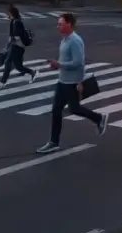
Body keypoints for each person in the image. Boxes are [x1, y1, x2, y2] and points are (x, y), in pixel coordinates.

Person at [36, 13, 107, 154]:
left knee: (74, 109)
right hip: (62, 81)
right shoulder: (64, 40)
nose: (58, 27)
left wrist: (78, 81)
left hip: (72, 83)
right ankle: (54, 142)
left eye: (60, 24)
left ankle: (99, 118)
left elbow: (79, 63)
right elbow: (66, 60)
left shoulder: (75, 41)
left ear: (69, 24)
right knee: (56, 111)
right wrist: (57, 65)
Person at [0, 4, 37, 87]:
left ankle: (3, 81)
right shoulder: (14, 21)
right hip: (17, 46)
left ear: (11, 13)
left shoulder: (17, 22)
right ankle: (32, 72)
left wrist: (10, 42)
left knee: (8, 62)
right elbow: (12, 36)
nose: (7, 15)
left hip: (18, 46)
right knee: (18, 66)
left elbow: (17, 36)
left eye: (8, 13)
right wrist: (8, 45)